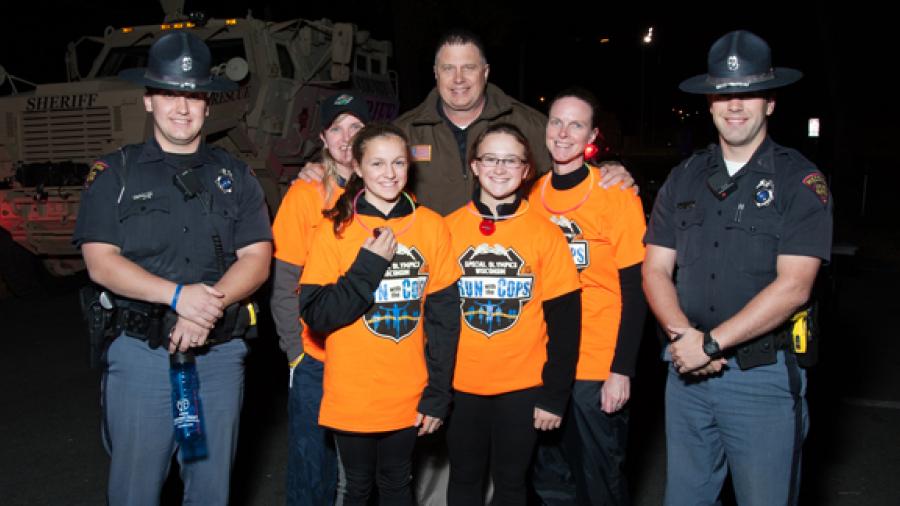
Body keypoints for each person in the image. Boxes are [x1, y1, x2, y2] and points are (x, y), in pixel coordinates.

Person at [72, 31, 272, 505]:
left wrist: (206, 307)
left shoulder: (236, 177)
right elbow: (100, 262)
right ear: (148, 100)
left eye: (193, 96)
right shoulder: (114, 173)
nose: (181, 108)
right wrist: (179, 297)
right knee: (137, 490)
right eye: (169, 94)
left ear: (208, 104)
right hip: (144, 357)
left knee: (208, 489)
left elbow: (257, 257)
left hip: (216, 360)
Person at [642, 30, 832, 506]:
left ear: (770, 102)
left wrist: (710, 344)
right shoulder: (683, 176)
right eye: (725, 95)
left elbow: (794, 288)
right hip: (687, 375)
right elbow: (655, 270)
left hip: (761, 379)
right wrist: (684, 338)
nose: (735, 105)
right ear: (709, 103)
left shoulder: (798, 180)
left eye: (748, 93)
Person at [298, 29, 635, 216]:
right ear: (435, 73)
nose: (458, 79)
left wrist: (605, 171)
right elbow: (361, 177)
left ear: (485, 72)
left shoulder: (529, 124)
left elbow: (570, 168)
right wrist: (323, 169)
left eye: (469, 68)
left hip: (507, 279)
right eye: (448, 68)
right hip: (430, 282)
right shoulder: (404, 130)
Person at [298, 123, 460, 505]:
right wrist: (368, 266)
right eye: (377, 163)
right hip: (352, 391)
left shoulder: (432, 226)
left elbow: (444, 321)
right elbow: (317, 315)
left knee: (397, 484)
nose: (389, 173)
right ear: (357, 167)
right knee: (356, 487)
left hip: (409, 391)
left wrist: (438, 394)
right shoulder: (335, 229)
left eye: (399, 163)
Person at [444, 123, 582, 505]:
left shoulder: (546, 234)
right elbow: (432, 320)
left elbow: (566, 324)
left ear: (526, 170)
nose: (500, 168)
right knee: (465, 480)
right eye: (490, 158)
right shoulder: (446, 229)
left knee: (510, 484)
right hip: (461, 385)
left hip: (522, 388)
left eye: (512, 160)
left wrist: (555, 396)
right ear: (474, 165)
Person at [529, 88, 647, 505]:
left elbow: (636, 289)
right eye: (556, 121)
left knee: (599, 478)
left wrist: (622, 369)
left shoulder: (615, 193)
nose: (563, 132)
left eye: (575, 124)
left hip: (597, 364)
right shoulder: (531, 196)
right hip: (545, 363)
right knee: (551, 479)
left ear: (591, 134)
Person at [271, 91, 369, 505]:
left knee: (364, 470)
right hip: (316, 355)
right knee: (313, 465)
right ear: (324, 139)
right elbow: (283, 284)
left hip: (370, 353)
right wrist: (296, 353)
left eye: (357, 128)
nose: (347, 138)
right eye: (337, 129)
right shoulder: (305, 195)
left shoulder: (387, 193)